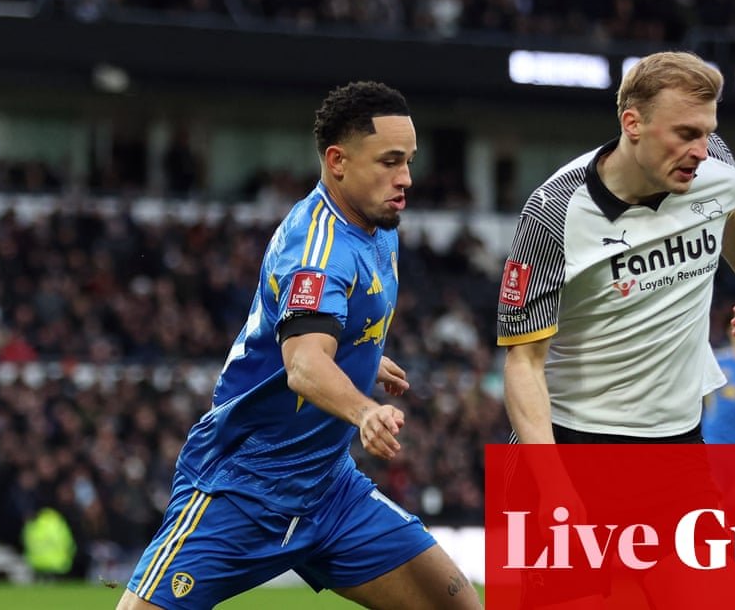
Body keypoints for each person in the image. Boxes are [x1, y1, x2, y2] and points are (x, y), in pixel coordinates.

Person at [118, 82, 481, 610]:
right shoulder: (317, 250)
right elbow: (305, 364)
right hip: (244, 484)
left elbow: (319, 332)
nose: (405, 178)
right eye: (389, 161)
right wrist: (364, 410)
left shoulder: (379, 225)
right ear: (337, 161)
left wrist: (363, 357)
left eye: (409, 161)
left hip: (329, 488)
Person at [497, 51, 735, 447]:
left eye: (707, 132)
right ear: (633, 124)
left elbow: (728, 210)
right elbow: (523, 362)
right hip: (574, 436)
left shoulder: (715, 167)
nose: (701, 150)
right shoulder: (555, 212)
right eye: (685, 134)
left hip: (679, 437)